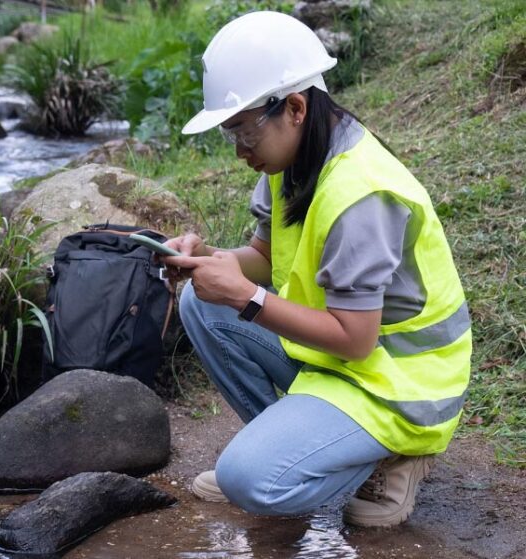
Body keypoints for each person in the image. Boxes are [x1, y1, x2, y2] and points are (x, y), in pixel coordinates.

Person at [162, 11, 471, 527]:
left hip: (400, 384)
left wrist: (244, 297)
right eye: (229, 135)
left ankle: (388, 459)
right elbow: (263, 259)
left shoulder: (360, 194)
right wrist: (206, 261)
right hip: (345, 362)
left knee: (248, 481)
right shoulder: (295, 159)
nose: (239, 152)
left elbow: (354, 340)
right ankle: (292, 450)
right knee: (199, 299)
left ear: (296, 108)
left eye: (243, 133)